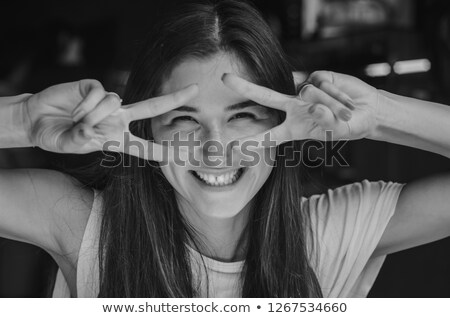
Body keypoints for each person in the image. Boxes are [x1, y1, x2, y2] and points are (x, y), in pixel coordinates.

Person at [1, 0, 449, 298]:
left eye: (241, 115)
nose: (215, 149)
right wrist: (21, 118)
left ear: (282, 123)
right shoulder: (80, 224)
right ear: (149, 130)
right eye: (184, 119)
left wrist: (380, 113)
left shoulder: (332, 234)